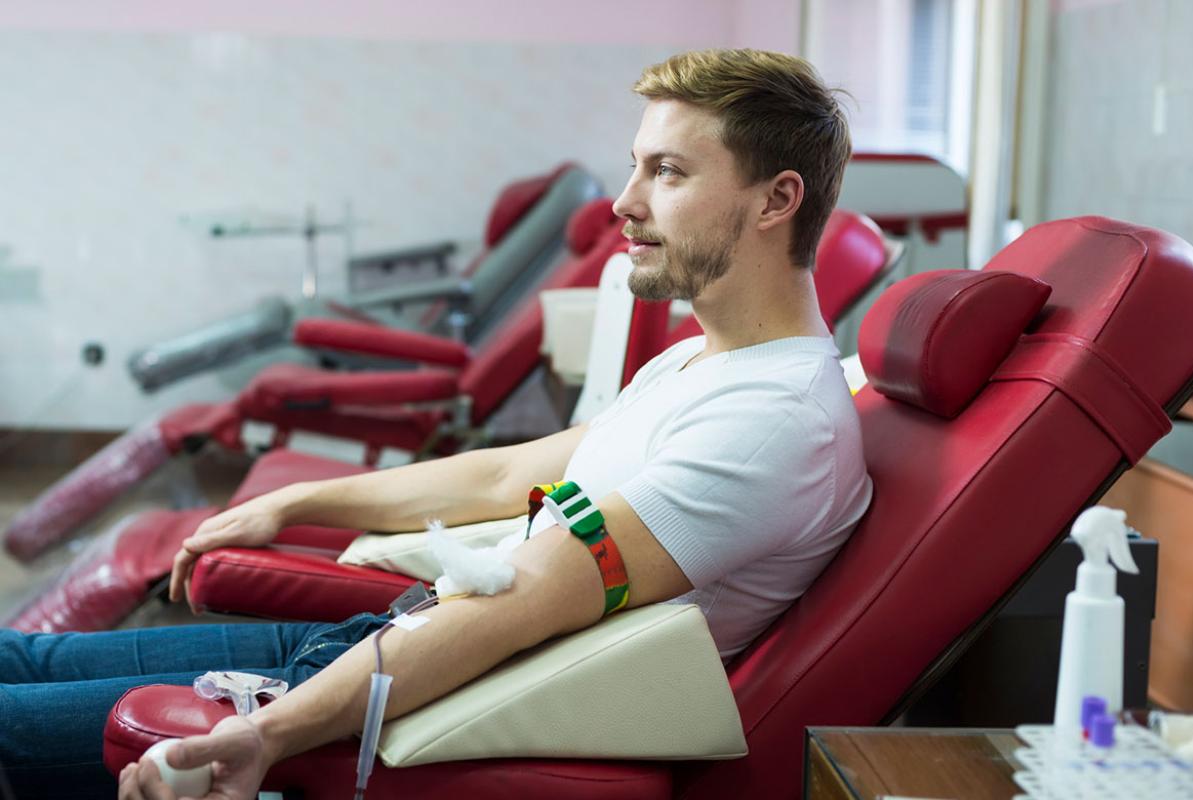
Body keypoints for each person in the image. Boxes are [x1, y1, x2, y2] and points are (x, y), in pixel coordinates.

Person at [0, 49, 871, 800]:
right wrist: (294, 502)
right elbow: (503, 474)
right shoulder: (703, 364)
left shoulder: (771, 421)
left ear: (775, 200)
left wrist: (271, 733)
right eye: (636, 167)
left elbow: (526, 596)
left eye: (668, 172)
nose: (624, 202)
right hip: (389, 647)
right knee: (25, 660)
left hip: (419, 705)